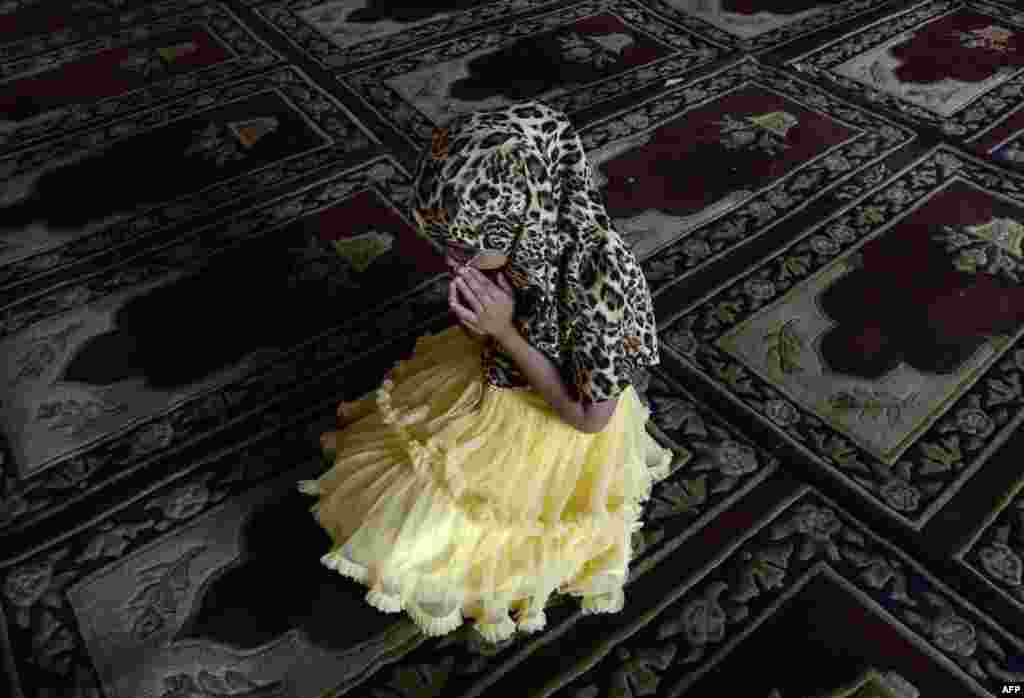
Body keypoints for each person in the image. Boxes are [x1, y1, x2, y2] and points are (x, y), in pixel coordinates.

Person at [297, 100, 674, 643]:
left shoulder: (599, 282)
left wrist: (503, 333)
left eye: (464, 244)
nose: (452, 257)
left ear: (521, 218)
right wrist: (487, 324)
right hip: (490, 373)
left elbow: (588, 418)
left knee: (425, 549)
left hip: (549, 421)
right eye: (443, 240)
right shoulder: (526, 237)